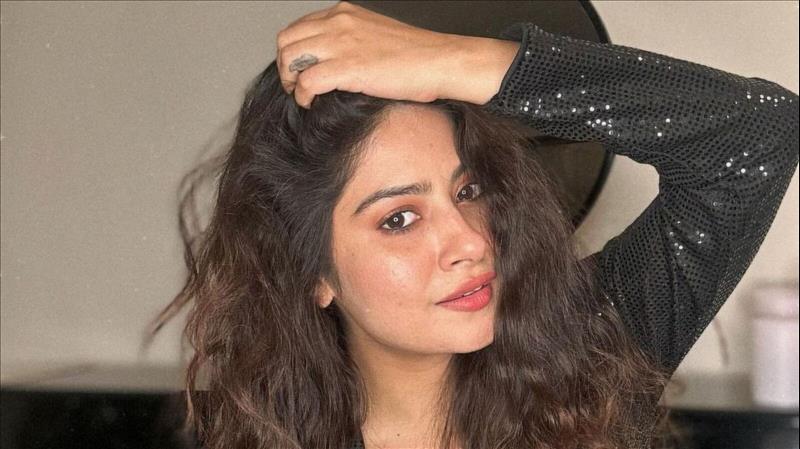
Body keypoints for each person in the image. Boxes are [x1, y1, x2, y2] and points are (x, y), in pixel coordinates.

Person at [147, 2, 799, 449]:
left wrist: (458, 62)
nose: (470, 240)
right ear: (312, 271)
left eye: (470, 190)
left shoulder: (592, 356)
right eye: (400, 219)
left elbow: (758, 135)